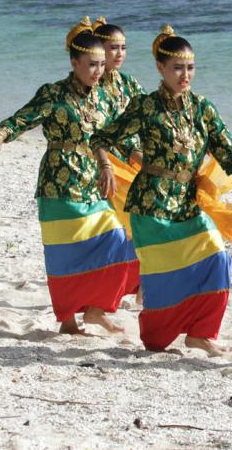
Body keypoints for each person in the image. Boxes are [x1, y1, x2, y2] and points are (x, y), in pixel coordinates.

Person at [91, 25, 232, 356]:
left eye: (190, 67)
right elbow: (101, 138)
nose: (185, 74)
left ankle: (201, 333)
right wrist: (106, 166)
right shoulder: (146, 107)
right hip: (151, 202)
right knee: (162, 275)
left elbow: (228, 152)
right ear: (161, 68)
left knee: (218, 258)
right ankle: (158, 336)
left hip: (188, 202)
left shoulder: (203, 108)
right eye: (177, 67)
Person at [0, 17, 134, 335]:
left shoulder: (103, 98)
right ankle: (67, 321)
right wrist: (0, 133)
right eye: (91, 64)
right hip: (58, 183)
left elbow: (114, 137)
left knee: (119, 242)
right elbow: (23, 118)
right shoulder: (54, 94)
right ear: (74, 62)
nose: (98, 71)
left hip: (92, 184)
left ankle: (95, 309)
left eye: (100, 64)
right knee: (65, 256)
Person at [92, 16, 146, 303]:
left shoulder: (129, 83)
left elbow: (148, 116)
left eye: (123, 47)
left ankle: (140, 283)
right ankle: (111, 289)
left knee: (142, 221)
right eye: (113, 47)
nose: (119, 53)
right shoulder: (92, 86)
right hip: (108, 162)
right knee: (116, 229)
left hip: (135, 161)